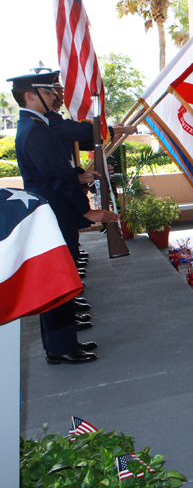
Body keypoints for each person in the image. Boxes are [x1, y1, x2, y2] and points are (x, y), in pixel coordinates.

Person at [10, 71, 120, 364]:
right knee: (57, 282)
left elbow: (54, 172)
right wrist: (87, 210)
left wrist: (80, 175)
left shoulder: (36, 126)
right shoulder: (35, 130)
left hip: (54, 212)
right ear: (30, 96)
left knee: (59, 280)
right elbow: (57, 178)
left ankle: (59, 344)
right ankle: (61, 348)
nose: (55, 97)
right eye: (48, 93)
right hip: (56, 213)